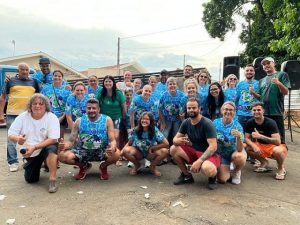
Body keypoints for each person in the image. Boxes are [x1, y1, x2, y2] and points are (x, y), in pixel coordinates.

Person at [8, 94, 60, 193]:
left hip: (44, 146)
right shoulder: (23, 117)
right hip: (30, 152)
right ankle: (30, 164)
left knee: (52, 148)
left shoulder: (51, 117)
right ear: (30, 106)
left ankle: (52, 179)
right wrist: (18, 138)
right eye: (34, 103)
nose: (37, 106)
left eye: (41, 104)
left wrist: (35, 147)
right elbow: (10, 134)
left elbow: (53, 139)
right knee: (31, 179)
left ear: (46, 106)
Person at [58, 98, 120, 180]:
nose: (91, 110)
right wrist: (64, 146)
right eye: (89, 108)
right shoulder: (79, 121)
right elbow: (71, 141)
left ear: (98, 109)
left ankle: (103, 167)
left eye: (94, 108)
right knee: (62, 156)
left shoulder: (107, 120)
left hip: (102, 151)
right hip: (83, 151)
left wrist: (112, 147)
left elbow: (112, 140)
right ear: (86, 109)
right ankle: (83, 166)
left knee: (117, 153)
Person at [170, 97, 220, 190]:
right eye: (189, 108)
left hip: (209, 155)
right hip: (194, 151)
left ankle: (213, 177)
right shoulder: (186, 122)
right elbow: (175, 139)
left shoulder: (207, 123)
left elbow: (213, 147)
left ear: (199, 109)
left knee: (207, 169)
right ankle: (187, 176)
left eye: (194, 108)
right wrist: (178, 141)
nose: (191, 110)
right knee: (173, 148)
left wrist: (199, 161)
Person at [0, 62, 39, 172]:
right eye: (22, 69)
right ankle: (13, 162)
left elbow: (38, 97)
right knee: (11, 139)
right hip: (12, 114)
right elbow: (2, 98)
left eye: (27, 70)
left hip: (28, 115)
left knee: (28, 138)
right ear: (18, 71)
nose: (25, 72)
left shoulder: (34, 82)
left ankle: (27, 158)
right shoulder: (10, 81)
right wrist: (1, 114)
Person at [245, 102, 288, 180]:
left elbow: (278, 142)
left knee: (278, 151)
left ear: (263, 111)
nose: (256, 112)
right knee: (246, 147)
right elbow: (246, 138)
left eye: (259, 110)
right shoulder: (250, 122)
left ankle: (280, 168)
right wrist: (253, 145)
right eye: (254, 110)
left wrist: (260, 136)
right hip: (261, 145)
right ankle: (264, 162)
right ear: (251, 111)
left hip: (276, 146)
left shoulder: (270, 122)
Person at [122, 112, 169, 177]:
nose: (144, 121)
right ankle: (137, 165)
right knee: (125, 150)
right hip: (138, 153)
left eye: (147, 119)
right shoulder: (136, 129)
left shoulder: (154, 130)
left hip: (150, 153)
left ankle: (152, 167)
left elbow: (166, 144)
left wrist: (153, 148)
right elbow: (129, 143)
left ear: (151, 121)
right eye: (143, 119)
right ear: (140, 120)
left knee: (165, 151)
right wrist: (122, 153)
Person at [257, 57, 290, 144]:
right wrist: (253, 93)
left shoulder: (282, 75)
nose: (266, 65)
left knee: (279, 138)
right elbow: (260, 97)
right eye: (264, 64)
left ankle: (279, 154)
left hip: (276, 112)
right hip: (264, 113)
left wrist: (278, 83)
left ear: (274, 64)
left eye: (268, 63)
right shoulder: (261, 80)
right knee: (265, 138)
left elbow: (285, 92)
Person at [213, 101, 246, 185]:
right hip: (221, 154)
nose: (228, 111)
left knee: (239, 157)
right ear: (221, 110)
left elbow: (239, 149)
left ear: (234, 112)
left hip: (234, 152)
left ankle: (236, 171)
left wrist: (238, 137)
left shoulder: (238, 126)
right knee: (222, 180)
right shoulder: (215, 123)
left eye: (231, 110)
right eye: (226, 109)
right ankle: (226, 167)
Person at [97, 76, 126, 150]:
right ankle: (106, 154)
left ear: (113, 83)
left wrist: (123, 119)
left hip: (116, 117)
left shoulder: (118, 93)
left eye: (110, 81)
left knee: (116, 136)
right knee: (105, 137)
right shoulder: (100, 92)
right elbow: (96, 105)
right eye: (106, 81)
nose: (108, 83)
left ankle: (117, 154)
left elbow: (124, 107)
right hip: (104, 118)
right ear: (103, 83)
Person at [41, 70, 71, 138]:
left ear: (62, 78)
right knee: (48, 136)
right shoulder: (46, 88)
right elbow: (42, 102)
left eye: (59, 76)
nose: (57, 77)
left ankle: (60, 148)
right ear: (52, 77)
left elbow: (68, 104)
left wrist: (63, 116)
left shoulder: (66, 89)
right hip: (49, 115)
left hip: (62, 115)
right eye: (55, 76)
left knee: (60, 136)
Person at [159, 77, 185, 143]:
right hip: (166, 119)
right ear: (167, 86)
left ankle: (175, 150)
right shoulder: (163, 96)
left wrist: (182, 119)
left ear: (177, 85)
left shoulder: (182, 95)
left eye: (174, 84)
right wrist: (162, 123)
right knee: (164, 135)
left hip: (177, 119)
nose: (172, 85)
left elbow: (184, 108)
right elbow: (160, 110)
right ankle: (164, 150)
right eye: (170, 84)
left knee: (176, 135)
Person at [236, 64, 259, 130]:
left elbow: (260, 98)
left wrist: (253, 93)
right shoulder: (239, 84)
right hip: (241, 114)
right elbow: (236, 99)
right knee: (241, 134)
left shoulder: (258, 83)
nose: (249, 72)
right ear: (244, 72)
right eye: (247, 70)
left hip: (254, 114)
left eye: (251, 70)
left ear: (254, 72)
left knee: (253, 134)